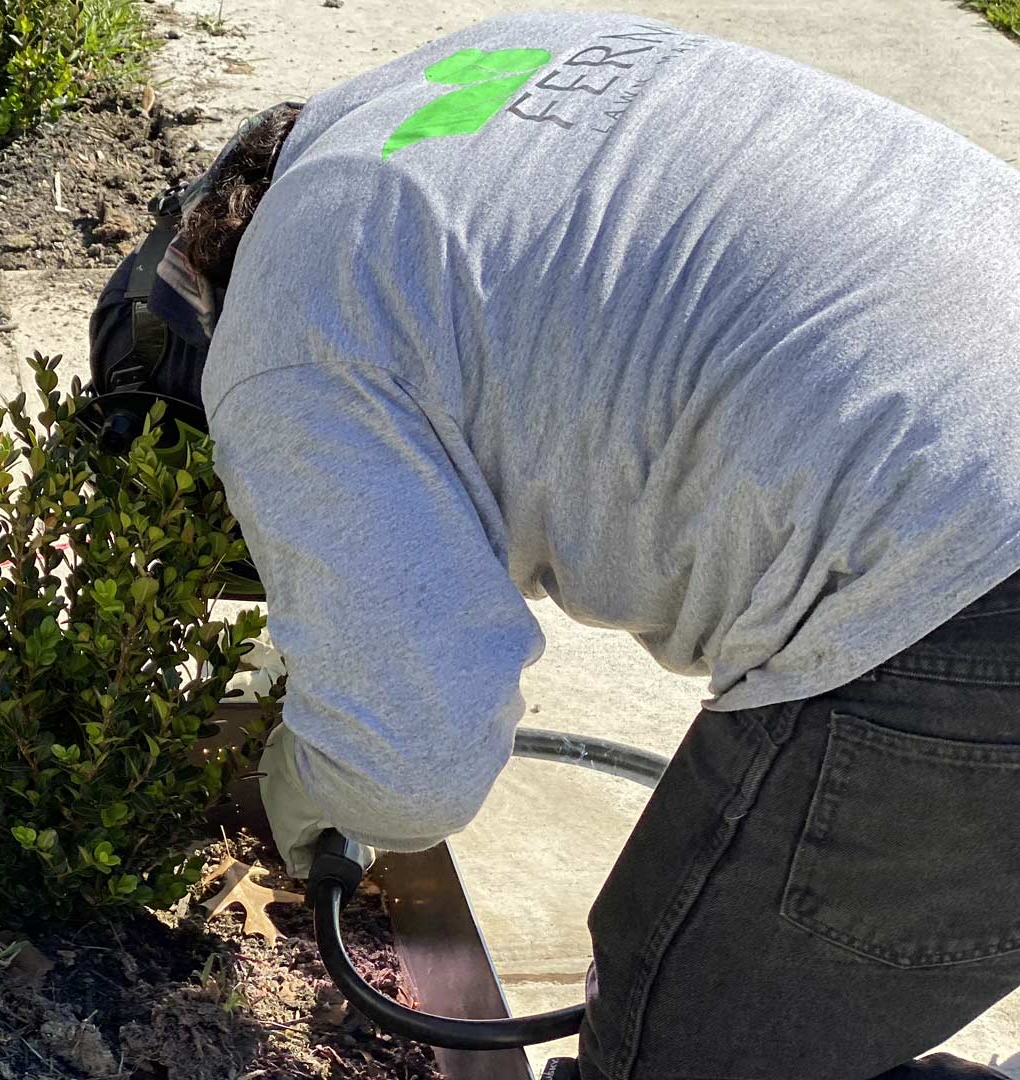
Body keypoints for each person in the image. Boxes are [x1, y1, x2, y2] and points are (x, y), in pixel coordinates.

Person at [87, 12, 1020, 1080]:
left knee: (674, 1048)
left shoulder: (279, 354)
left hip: (967, 570)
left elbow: (412, 760)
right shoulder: (476, 73)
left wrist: (311, 779)